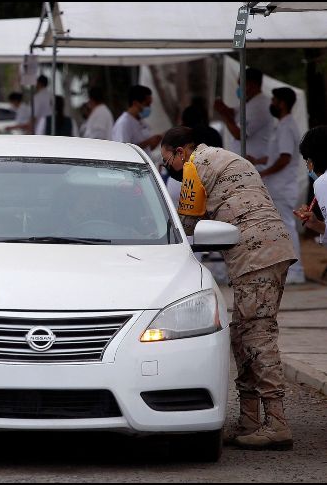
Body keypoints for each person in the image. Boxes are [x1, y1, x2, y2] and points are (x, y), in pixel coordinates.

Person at [161, 126, 296, 451]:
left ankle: (276, 423)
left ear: (182, 152)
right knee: (242, 332)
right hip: (271, 249)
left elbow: (189, 225)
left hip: (256, 255)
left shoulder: (194, 164)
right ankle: (249, 419)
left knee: (257, 334)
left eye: (168, 161)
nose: (170, 168)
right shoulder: (227, 158)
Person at [250, 87, 305, 284]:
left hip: (282, 187)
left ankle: (296, 272)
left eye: (273, 100)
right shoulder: (281, 125)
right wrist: (257, 160)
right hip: (278, 187)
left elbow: (284, 158)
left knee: (288, 229)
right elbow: (275, 154)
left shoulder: (286, 126)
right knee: (281, 229)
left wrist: (264, 172)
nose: (271, 104)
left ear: (281, 103)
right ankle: (287, 269)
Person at [214, 67, 273, 162]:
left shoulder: (260, 107)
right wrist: (223, 108)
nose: (239, 88)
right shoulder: (250, 102)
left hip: (254, 164)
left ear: (252, 84)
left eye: (241, 85)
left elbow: (239, 134)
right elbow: (233, 113)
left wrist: (223, 114)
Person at [112, 85, 162, 151]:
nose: (149, 108)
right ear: (135, 103)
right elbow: (123, 150)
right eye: (147, 104)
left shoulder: (141, 121)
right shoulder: (123, 123)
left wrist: (157, 140)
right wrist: (148, 142)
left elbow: (147, 149)